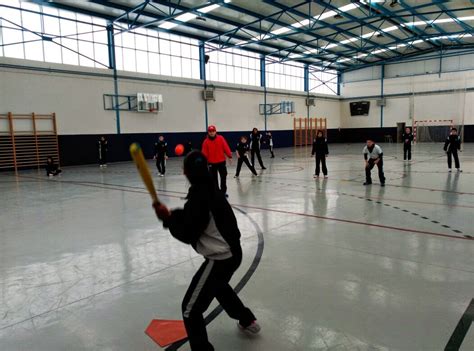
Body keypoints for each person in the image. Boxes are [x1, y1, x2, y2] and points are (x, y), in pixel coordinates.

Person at [153, 151, 260, 351]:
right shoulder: (211, 190)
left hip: (220, 259)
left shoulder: (199, 198)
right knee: (218, 287)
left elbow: (188, 233)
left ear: (185, 172)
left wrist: (167, 220)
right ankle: (247, 319)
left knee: (190, 309)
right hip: (234, 252)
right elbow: (190, 216)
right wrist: (170, 215)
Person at [201, 125, 232, 195]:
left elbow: (225, 147)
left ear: (215, 131)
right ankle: (217, 192)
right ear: (208, 132)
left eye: (213, 131)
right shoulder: (205, 142)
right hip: (212, 163)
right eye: (210, 131)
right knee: (214, 179)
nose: (212, 133)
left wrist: (229, 156)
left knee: (223, 176)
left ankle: (223, 191)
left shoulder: (221, 138)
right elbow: (204, 153)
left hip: (221, 162)